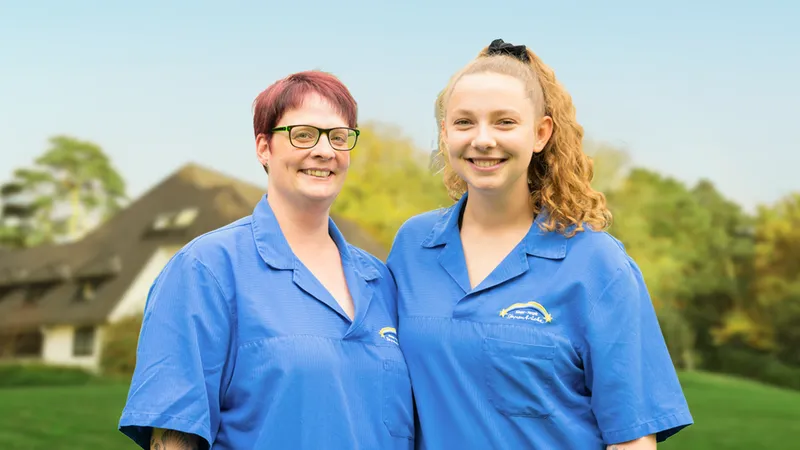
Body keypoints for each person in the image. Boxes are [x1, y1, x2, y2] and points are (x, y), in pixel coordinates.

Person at [387, 39, 693, 449]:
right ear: (445, 133)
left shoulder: (597, 265)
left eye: (504, 122)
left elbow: (633, 440)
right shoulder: (412, 247)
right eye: (464, 122)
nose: (482, 139)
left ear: (540, 133)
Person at [118, 71, 414, 450]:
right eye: (303, 134)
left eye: (338, 137)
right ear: (263, 147)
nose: (324, 150)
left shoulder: (381, 280)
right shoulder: (206, 268)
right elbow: (176, 436)